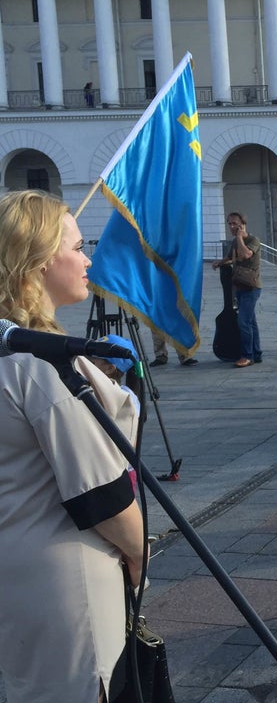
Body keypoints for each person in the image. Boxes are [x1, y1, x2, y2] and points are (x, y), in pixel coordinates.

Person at [0, 189, 147, 702]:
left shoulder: (14, 352)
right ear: (38, 261)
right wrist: (138, 555)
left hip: (20, 564)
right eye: (79, 247)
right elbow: (100, 494)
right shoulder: (38, 363)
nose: (88, 259)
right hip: (68, 575)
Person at [212, 211, 262, 367]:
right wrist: (219, 262)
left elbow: (246, 254)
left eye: (235, 223)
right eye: (229, 223)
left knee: (244, 322)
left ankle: (247, 355)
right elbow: (230, 257)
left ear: (243, 224)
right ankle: (256, 353)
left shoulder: (253, 240)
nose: (232, 227)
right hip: (239, 285)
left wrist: (240, 237)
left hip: (251, 286)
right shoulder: (234, 242)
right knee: (250, 321)